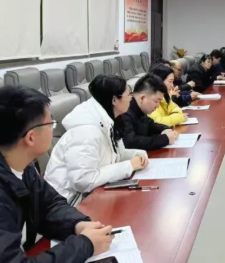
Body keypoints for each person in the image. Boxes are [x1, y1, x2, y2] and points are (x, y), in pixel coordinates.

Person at [0, 85, 114, 263]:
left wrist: (78, 224)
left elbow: (49, 205)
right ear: (30, 138)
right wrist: (85, 245)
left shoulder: (17, 160)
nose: (53, 128)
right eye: (50, 123)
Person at [45, 76, 148, 205]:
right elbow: (83, 180)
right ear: (114, 100)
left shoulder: (108, 121)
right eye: (129, 94)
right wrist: (129, 165)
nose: (131, 98)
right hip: (69, 202)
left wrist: (137, 155)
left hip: (91, 194)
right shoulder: (86, 132)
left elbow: (116, 155)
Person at [120, 74, 179, 150]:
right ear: (142, 98)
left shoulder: (139, 109)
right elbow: (131, 142)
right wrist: (165, 139)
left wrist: (165, 129)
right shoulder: (124, 111)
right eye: (156, 101)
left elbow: (151, 125)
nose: (158, 106)